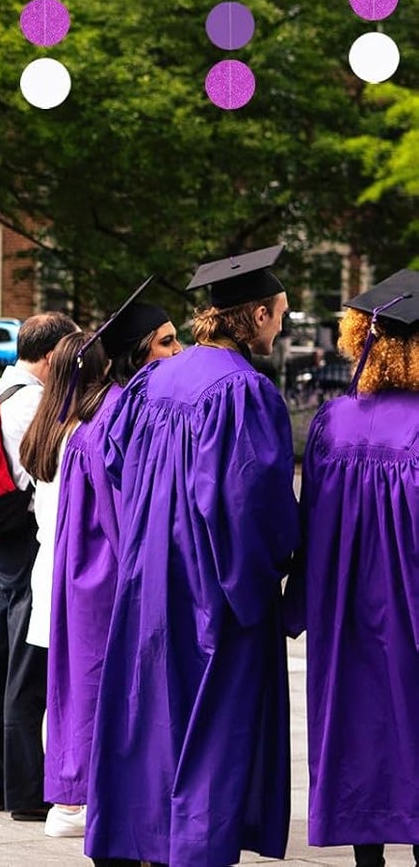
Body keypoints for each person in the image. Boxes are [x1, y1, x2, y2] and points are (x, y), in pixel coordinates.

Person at [85, 247, 299, 867]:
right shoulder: (245, 392)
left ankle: (141, 838)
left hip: (147, 573)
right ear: (255, 314)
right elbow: (251, 500)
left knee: (151, 707)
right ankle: (195, 847)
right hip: (214, 580)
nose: (281, 325)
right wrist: (270, 574)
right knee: (213, 717)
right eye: (279, 313)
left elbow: (119, 461)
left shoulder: (153, 379)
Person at [34, 292, 182, 840]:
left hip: (81, 570)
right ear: (137, 353)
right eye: (166, 342)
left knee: (80, 679)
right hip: (106, 571)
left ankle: (74, 794)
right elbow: (126, 516)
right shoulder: (118, 415)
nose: (177, 351)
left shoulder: (94, 412)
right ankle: (85, 798)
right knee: (100, 680)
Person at [286, 269, 419, 867]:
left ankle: (368, 858)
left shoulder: (332, 423)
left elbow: (309, 521)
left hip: (342, 613)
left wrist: (299, 606)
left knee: (357, 727)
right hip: (409, 611)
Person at [0, 310, 79, 823]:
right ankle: (25, 789)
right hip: (28, 536)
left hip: (1, 536)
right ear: (54, 353)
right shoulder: (33, 402)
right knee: (26, 664)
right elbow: (49, 476)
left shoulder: (2, 387)